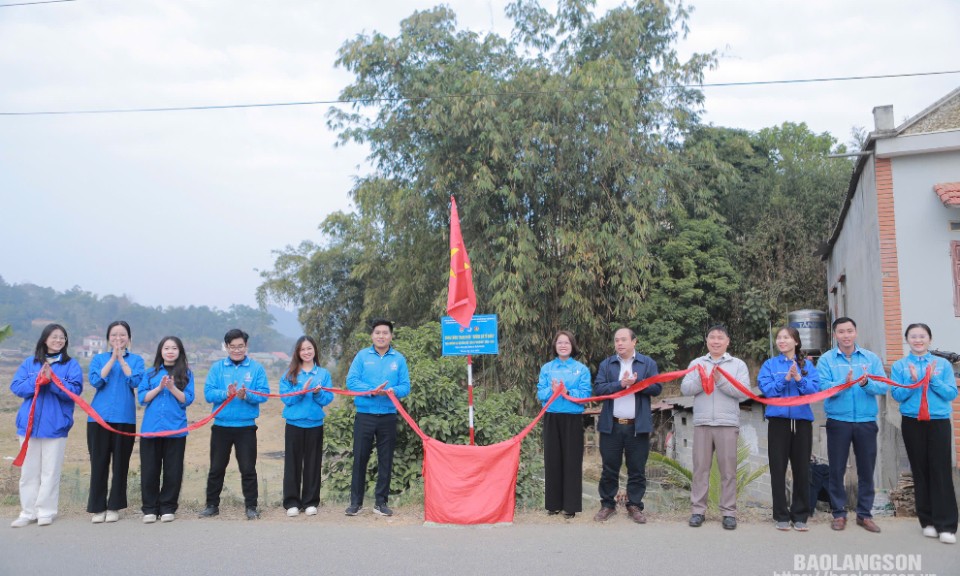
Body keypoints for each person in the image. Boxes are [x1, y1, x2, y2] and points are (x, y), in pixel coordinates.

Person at [816, 317, 887, 533]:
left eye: (849, 331)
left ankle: (864, 514)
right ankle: (839, 513)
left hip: (866, 421)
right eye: (841, 332)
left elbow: (882, 387)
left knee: (866, 469)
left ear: (855, 332)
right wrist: (843, 384)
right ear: (835, 335)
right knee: (836, 469)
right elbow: (823, 388)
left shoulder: (870, 358)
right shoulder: (827, 360)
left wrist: (866, 383)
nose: (846, 336)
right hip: (838, 421)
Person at [9, 324, 83, 528]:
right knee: (29, 471)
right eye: (55, 337)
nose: (59, 340)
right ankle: (27, 511)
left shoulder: (71, 365)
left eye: (63, 338)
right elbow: (16, 387)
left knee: (50, 471)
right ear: (45, 339)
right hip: (29, 426)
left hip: (56, 426)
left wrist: (52, 381)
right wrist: (37, 379)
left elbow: (75, 391)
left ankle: (46, 511)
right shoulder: (29, 363)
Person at [890, 323, 957, 544]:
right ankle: (927, 521)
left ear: (929, 338)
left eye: (922, 336)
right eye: (913, 336)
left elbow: (951, 393)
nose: (918, 340)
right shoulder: (900, 366)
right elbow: (897, 395)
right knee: (920, 470)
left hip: (937, 421)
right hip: (912, 422)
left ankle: (946, 525)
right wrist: (912, 381)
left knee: (940, 470)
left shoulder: (942, 364)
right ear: (907, 339)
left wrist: (932, 379)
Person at [680, 324, 750, 530]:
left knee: (728, 471)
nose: (716, 341)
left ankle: (728, 512)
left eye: (720, 338)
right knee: (700, 469)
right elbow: (685, 388)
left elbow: (744, 392)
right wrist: (703, 381)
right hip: (702, 423)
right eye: (712, 337)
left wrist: (720, 382)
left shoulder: (737, 365)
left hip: (727, 423)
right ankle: (698, 511)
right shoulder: (697, 363)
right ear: (707, 341)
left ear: (728, 341)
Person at [200, 329, 270, 520]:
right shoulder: (217, 368)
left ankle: (251, 507)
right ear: (227, 347)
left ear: (246, 346)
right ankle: (212, 505)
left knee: (248, 468)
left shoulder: (256, 369)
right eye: (233, 347)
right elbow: (208, 394)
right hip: (221, 426)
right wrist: (226, 394)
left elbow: (264, 394)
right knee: (216, 468)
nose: (237, 350)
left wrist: (246, 395)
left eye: (240, 346)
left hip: (246, 427)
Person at [593, 327, 661, 523]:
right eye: (616, 340)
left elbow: (657, 388)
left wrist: (639, 383)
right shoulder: (607, 364)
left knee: (637, 468)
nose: (619, 344)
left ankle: (634, 505)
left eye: (623, 340)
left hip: (637, 426)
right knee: (609, 468)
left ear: (634, 342)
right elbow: (598, 389)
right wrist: (621, 384)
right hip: (612, 426)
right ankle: (607, 504)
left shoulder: (647, 363)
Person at [345, 319, 411, 517]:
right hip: (365, 415)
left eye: (385, 333)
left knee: (386, 460)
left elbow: (405, 387)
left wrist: (392, 391)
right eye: (377, 333)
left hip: (388, 417)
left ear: (391, 336)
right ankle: (355, 503)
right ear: (372, 335)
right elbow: (351, 382)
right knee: (360, 459)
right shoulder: (362, 356)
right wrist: (372, 391)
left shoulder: (398, 359)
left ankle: (380, 503)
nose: (381, 336)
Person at [757, 327, 820, 532]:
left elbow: (814, 391)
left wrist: (799, 378)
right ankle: (781, 515)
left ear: (796, 342)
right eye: (779, 338)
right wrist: (785, 379)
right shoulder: (770, 365)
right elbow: (766, 390)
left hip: (801, 422)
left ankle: (800, 515)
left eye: (786, 337)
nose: (782, 341)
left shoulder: (808, 365)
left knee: (802, 468)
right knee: (778, 468)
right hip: (778, 422)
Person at [87, 320, 144, 523]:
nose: (118, 339)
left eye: (122, 335)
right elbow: (96, 381)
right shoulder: (99, 358)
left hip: (124, 418)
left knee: (120, 464)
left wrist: (122, 360)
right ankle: (97, 507)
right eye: (114, 335)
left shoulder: (136, 360)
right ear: (108, 338)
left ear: (129, 338)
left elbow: (136, 381)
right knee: (99, 463)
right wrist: (112, 359)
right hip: (98, 418)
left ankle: (114, 506)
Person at [138, 336, 195, 524]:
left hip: (175, 429)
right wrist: (159, 387)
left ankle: (168, 507)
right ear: (160, 351)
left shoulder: (186, 373)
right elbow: (142, 398)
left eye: (174, 348)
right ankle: (150, 509)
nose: (170, 351)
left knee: (173, 470)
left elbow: (187, 399)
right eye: (166, 348)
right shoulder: (150, 373)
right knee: (150, 470)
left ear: (180, 352)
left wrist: (171, 387)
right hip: (151, 430)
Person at [536, 330, 593, 519]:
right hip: (552, 417)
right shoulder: (547, 368)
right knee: (552, 460)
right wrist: (552, 391)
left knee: (572, 461)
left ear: (572, 346)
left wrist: (567, 390)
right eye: (559, 342)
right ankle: (553, 505)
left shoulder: (581, 369)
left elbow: (585, 396)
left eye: (566, 343)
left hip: (572, 418)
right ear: (555, 346)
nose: (563, 345)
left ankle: (570, 506)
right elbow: (540, 394)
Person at [280, 336, 334, 518]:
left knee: (312, 463)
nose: (306, 352)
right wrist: (302, 390)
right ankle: (292, 502)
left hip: (315, 424)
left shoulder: (323, 374)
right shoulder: (289, 374)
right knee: (292, 465)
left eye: (309, 348)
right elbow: (286, 399)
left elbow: (328, 399)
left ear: (315, 350)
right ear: (298, 352)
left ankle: (310, 501)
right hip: (294, 424)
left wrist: (318, 393)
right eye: (303, 349)